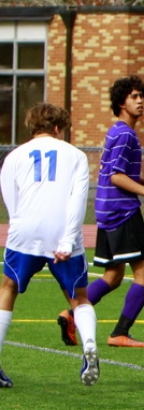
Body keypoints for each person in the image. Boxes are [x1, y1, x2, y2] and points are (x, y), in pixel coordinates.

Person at [58, 75, 144, 348]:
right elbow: (116, 177)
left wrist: (143, 180)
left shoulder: (116, 131)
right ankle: (120, 332)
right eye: (134, 97)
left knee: (113, 276)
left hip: (106, 211)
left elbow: (112, 171)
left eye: (142, 96)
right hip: (122, 212)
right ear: (121, 102)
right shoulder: (125, 134)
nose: (140, 101)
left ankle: (71, 314)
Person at [0, 103, 100, 387]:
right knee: (79, 297)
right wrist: (67, 239)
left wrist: (22, 225)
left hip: (25, 230)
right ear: (58, 128)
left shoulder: (14, 156)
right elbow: (78, 199)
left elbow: (10, 198)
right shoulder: (77, 155)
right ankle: (89, 344)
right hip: (63, 231)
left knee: (7, 287)